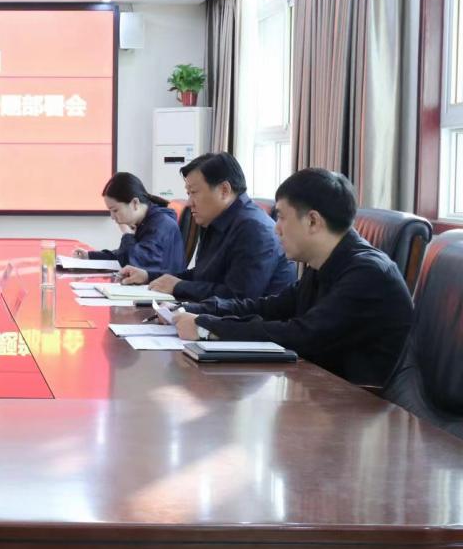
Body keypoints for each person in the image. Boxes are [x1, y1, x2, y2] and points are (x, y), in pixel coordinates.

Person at [171, 168, 413, 387]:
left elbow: (303, 335)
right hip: (320, 390)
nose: (276, 228)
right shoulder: (323, 263)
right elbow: (270, 307)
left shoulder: (367, 274)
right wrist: (195, 310)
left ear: (313, 221)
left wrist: (208, 328)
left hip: (360, 405)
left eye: (282, 217)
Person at [119, 152, 294, 301]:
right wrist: (148, 276)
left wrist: (179, 287)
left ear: (224, 190)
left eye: (194, 192)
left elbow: (238, 297)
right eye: (188, 193)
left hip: (251, 327)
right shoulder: (216, 220)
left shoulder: (254, 230)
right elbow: (202, 275)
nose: (189, 202)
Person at [72, 172, 185, 274]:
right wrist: (90, 256)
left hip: (160, 288)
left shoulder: (161, 224)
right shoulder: (146, 220)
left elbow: (135, 264)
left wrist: (127, 234)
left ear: (135, 203)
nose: (112, 217)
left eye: (115, 210)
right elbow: (124, 255)